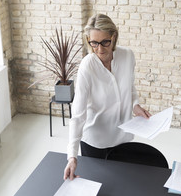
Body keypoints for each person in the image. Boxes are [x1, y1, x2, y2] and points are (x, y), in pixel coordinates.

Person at [63, 14, 151, 180]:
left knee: (124, 185)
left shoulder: (127, 56)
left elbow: (129, 87)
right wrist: (72, 156)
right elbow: (78, 115)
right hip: (95, 143)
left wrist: (135, 106)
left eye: (105, 42)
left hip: (123, 138)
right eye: (94, 43)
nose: (100, 49)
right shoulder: (87, 66)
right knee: (99, 188)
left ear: (114, 37)